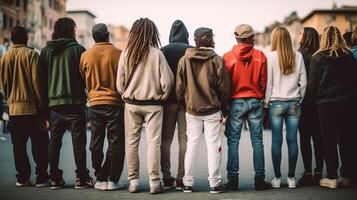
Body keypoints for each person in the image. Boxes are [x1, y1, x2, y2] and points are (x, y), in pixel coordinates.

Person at [116, 18, 174, 194]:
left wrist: (126, 94)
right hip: (154, 106)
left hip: (132, 105)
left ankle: (133, 182)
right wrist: (161, 96)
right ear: (151, 33)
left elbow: (120, 83)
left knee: (131, 143)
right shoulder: (157, 54)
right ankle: (155, 183)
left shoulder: (126, 53)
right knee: (153, 143)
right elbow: (168, 82)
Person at [40, 17, 93, 189]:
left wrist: (44, 106)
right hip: (75, 103)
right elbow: (85, 78)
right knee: (79, 142)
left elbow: (41, 80)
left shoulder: (46, 51)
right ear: (71, 30)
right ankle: (82, 178)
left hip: (53, 105)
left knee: (54, 141)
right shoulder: (79, 50)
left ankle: (54, 177)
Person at [176, 27, 231, 193]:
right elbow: (225, 88)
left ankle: (187, 182)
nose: (214, 40)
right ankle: (215, 183)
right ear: (207, 39)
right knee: (213, 145)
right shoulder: (217, 60)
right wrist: (223, 106)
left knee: (192, 144)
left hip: (191, 110)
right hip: (212, 110)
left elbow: (179, 87)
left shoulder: (184, 60)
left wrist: (184, 103)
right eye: (212, 37)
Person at [307, 26, 357, 189]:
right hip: (347, 104)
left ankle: (332, 177)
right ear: (340, 38)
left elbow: (312, 86)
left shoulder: (317, 57)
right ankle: (347, 175)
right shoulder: (348, 55)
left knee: (328, 141)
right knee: (346, 140)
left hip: (325, 106)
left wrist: (309, 104)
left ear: (324, 38)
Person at [0, 26, 49, 187]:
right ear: (26, 38)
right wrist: (43, 106)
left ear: (12, 39)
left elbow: (4, 85)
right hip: (32, 108)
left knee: (18, 146)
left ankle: (22, 177)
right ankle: (41, 176)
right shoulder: (32, 55)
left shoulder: (5, 57)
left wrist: (11, 99)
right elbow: (37, 83)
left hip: (15, 109)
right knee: (40, 144)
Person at [223, 24, 270, 191]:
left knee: (233, 142)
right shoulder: (260, 56)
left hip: (235, 102)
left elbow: (225, 84)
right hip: (255, 101)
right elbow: (264, 82)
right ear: (250, 38)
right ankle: (259, 179)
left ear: (237, 38)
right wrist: (262, 99)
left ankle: (233, 179)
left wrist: (225, 104)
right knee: (257, 141)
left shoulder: (228, 57)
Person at [79, 23, 125, 191]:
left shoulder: (86, 55)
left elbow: (83, 78)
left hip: (94, 102)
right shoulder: (119, 54)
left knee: (96, 141)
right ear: (107, 36)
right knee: (116, 141)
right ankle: (112, 179)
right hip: (115, 102)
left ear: (93, 37)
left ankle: (100, 177)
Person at [264, 27, 307, 189]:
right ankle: (291, 179)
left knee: (276, 140)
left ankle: (276, 178)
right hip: (294, 103)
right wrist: (299, 99)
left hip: (276, 103)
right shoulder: (298, 56)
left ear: (274, 39)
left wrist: (266, 103)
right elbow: (303, 83)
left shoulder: (270, 57)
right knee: (292, 140)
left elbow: (268, 83)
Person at [160, 20, 191, 190]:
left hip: (168, 101)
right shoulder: (191, 50)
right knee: (184, 138)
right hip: (186, 101)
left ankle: (166, 176)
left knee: (165, 139)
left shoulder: (163, 50)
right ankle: (181, 177)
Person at [297, 27, 324, 186]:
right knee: (318, 138)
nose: (299, 36)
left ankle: (307, 172)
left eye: (301, 33)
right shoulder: (319, 55)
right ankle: (319, 171)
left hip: (304, 101)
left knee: (305, 138)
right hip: (318, 102)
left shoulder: (299, 55)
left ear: (306, 37)